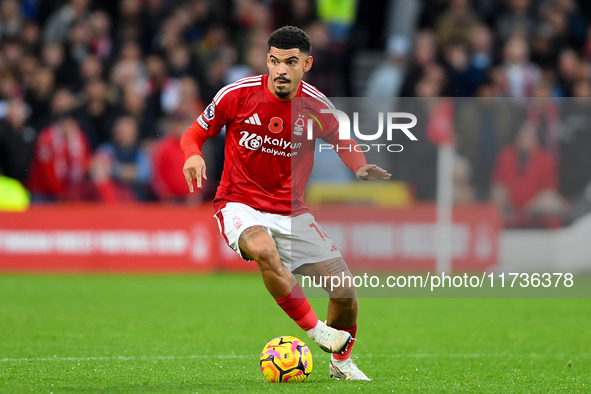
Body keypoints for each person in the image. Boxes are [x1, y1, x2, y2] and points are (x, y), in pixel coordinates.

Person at [181, 26, 390, 381]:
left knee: (344, 291)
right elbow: (195, 133)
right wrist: (192, 155)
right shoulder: (238, 94)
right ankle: (315, 331)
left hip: (291, 211)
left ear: (306, 64)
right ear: (267, 60)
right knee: (264, 249)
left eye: (290, 62)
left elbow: (343, 140)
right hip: (238, 203)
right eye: (274, 61)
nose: (280, 69)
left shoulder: (316, 105)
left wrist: (359, 167)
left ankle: (341, 363)